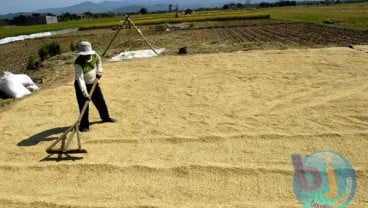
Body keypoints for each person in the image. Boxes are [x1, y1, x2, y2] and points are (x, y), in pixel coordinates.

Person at [74, 41, 116, 132]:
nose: (87, 56)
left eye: (88, 54)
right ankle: (84, 125)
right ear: (81, 55)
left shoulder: (94, 55)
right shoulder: (78, 63)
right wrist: (85, 94)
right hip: (82, 86)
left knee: (100, 101)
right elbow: (80, 80)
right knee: (84, 105)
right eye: (84, 55)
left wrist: (99, 72)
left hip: (93, 82)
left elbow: (99, 61)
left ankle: (105, 117)